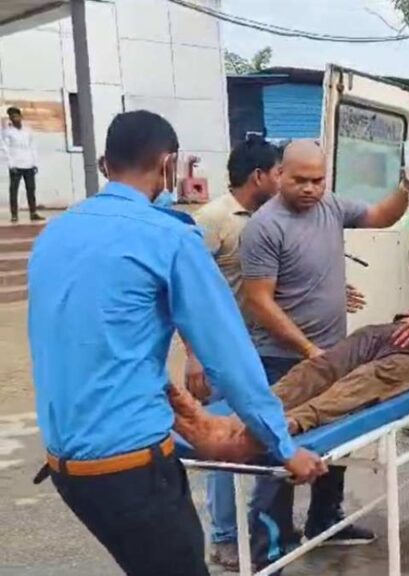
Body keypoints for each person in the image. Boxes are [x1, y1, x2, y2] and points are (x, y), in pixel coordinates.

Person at [26, 110, 326, 576]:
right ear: (168, 165)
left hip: (66, 466)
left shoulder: (54, 233)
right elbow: (230, 358)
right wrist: (283, 446)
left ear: (105, 164)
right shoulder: (169, 237)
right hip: (129, 465)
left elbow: (82, 338)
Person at [239, 139, 409, 566]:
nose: (310, 188)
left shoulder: (330, 206)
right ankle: (267, 555)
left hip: (332, 351)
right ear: (280, 174)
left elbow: (380, 216)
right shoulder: (264, 226)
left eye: (318, 180)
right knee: (279, 456)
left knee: (338, 439)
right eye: (300, 180)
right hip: (282, 359)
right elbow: (258, 301)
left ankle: (324, 519)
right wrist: (307, 348)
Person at [170, 268, 409, 462]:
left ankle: (289, 423)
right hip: (390, 330)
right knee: (320, 367)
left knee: (362, 382)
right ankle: (247, 417)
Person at [185, 134, 283, 570]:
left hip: (258, 349)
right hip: (217, 353)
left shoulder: (271, 218)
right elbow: (185, 290)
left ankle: (255, 526)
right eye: (278, 172)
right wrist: (193, 356)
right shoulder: (212, 219)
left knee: (255, 440)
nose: (282, 180)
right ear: (259, 176)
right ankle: (223, 536)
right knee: (223, 446)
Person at [2, 106, 43, 223]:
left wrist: (35, 163)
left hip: (29, 164)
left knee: (31, 189)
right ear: (10, 119)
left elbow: (33, 147)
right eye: (13, 117)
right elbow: (5, 149)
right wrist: (11, 165)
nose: (15, 119)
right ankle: (14, 214)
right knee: (14, 190)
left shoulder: (28, 130)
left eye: (17, 116)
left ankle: (33, 213)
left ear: (21, 117)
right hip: (16, 165)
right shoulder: (7, 132)